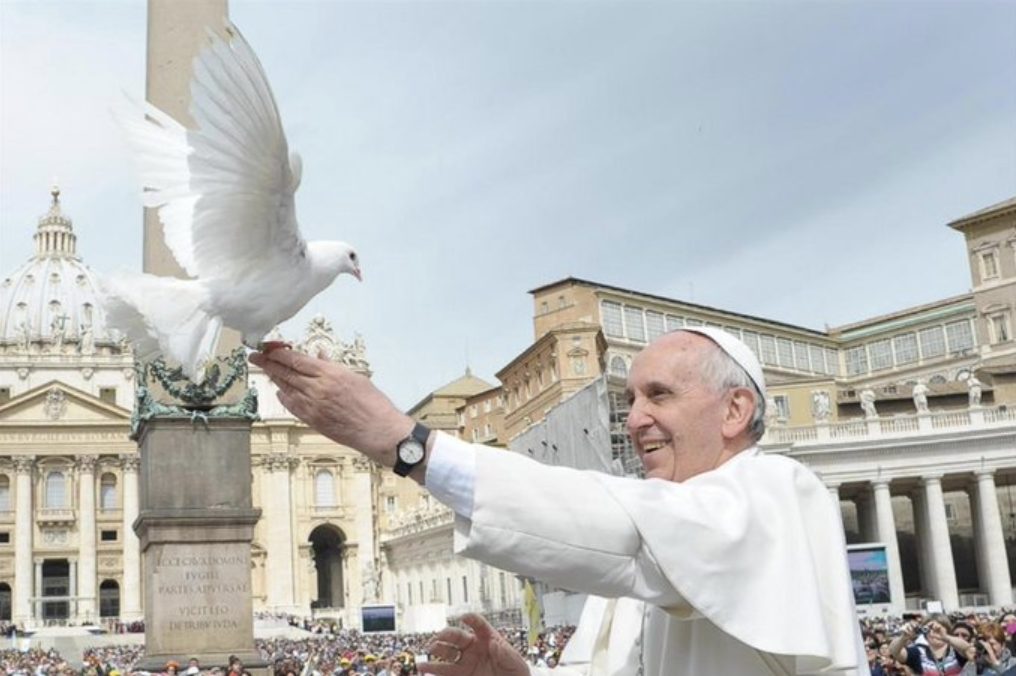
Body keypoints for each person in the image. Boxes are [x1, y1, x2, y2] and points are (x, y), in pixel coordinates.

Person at [251, 327, 866, 675]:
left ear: (736, 410)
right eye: (631, 401)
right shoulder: (652, 551)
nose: (635, 420)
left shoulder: (780, 493)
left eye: (659, 396)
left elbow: (626, 527)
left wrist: (405, 444)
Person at [887, 614, 972, 675]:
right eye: (929, 629)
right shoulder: (919, 652)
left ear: (947, 629)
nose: (934, 632)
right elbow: (894, 651)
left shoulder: (956, 650)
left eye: (938, 629)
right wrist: (904, 637)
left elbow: (967, 648)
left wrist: (945, 637)